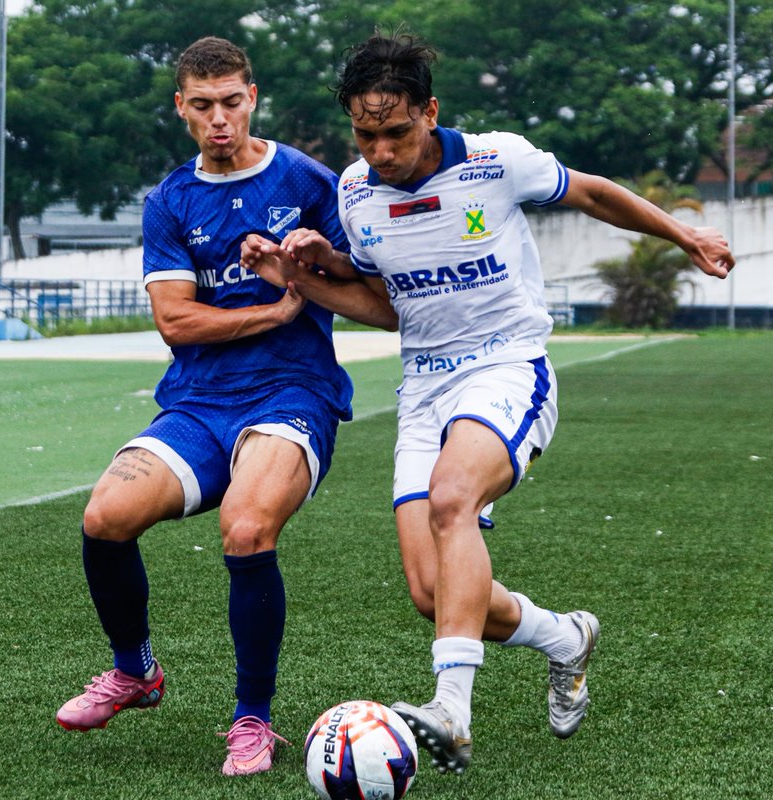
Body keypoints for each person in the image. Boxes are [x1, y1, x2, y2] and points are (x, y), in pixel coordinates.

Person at [241, 31, 735, 774]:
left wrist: (683, 233)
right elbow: (385, 302)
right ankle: (566, 639)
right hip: (425, 388)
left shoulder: (495, 159)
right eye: (365, 134)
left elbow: (593, 191)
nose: (380, 150)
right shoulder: (354, 191)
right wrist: (301, 273)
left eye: (396, 131)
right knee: (432, 592)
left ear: (429, 112)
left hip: (507, 367)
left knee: (453, 501)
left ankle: (451, 708)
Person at [52, 36, 395, 777]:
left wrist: (319, 265)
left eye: (231, 102)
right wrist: (271, 312)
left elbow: (377, 301)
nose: (218, 119)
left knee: (245, 528)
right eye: (202, 105)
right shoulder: (171, 201)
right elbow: (175, 322)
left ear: (253, 99)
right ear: (181, 107)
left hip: (291, 394)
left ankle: (252, 719)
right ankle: (135, 671)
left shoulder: (308, 181)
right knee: (104, 517)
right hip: (199, 401)